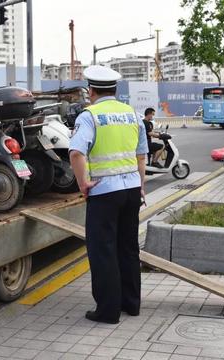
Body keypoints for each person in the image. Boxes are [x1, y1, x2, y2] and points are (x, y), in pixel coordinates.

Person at [69, 65, 148, 324]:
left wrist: (83, 183)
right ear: (115, 89)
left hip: (104, 193)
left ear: (90, 90)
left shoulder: (89, 116)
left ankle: (107, 311)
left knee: (103, 250)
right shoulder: (132, 114)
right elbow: (141, 155)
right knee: (128, 248)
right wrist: (141, 185)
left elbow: (77, 152)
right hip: (131, 190)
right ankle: (131, 304)